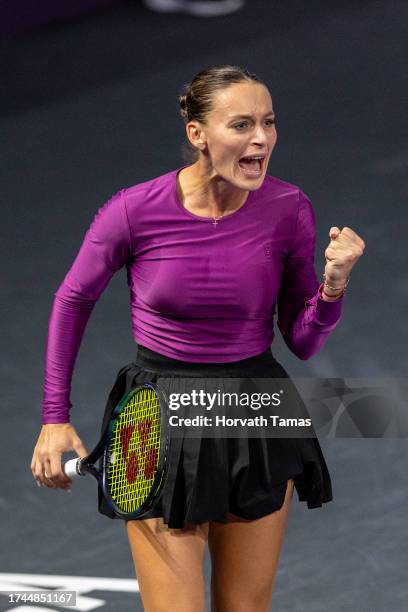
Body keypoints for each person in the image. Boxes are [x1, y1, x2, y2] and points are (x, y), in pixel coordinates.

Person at [31, 64, 365, 611]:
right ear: (198, 135)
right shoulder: (133, 210)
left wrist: (332, 289)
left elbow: (302, 342)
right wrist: (53, 417)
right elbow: (72, 301)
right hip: (154, 417)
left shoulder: (289, 209)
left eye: (269, 122)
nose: (261, 138)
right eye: (241, 125)